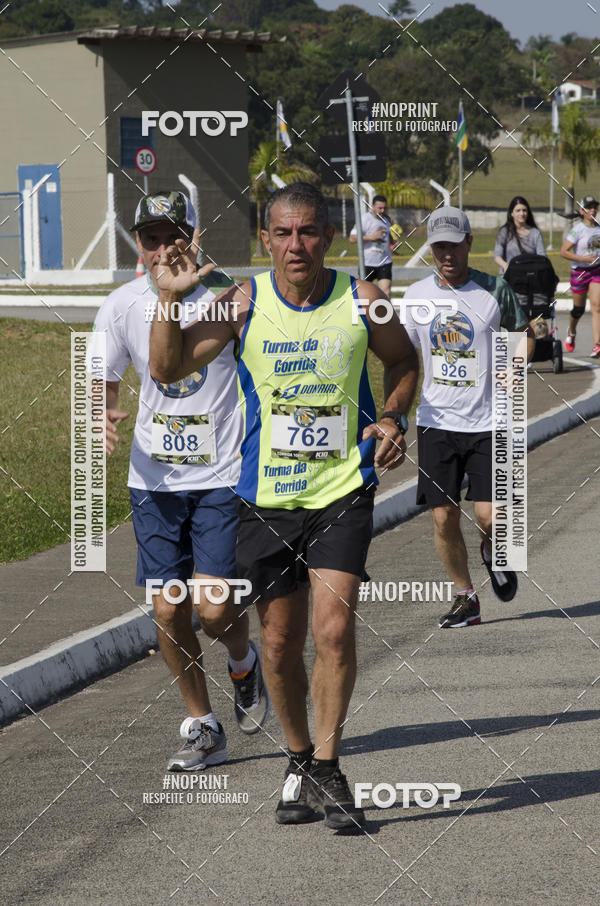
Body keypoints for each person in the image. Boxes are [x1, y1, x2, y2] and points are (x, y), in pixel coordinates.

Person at [149, 182, 419, 830]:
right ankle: (298, 759)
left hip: (341, 488)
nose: (296, 244)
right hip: (264, 496)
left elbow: (404, 360)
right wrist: (168, 299)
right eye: (283, 233)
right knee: (277, 643)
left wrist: (391, 417)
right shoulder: (243, 303)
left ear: (329, 237)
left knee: (333, 629)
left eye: (308, 231)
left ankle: (328, 765)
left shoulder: (363, 300)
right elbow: (166, 368)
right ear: (265, 240)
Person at [88, 190, 270, 772]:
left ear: (193, 237)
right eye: (151, 238)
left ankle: (242, 660)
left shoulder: (226, 296)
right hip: (154, 479)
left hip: (220, 475)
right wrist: (100, 412)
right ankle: (203, 726)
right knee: (168, 612)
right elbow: (100, 376)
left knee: (213, 611)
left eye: (173, 236)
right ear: (138, 244)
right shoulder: (120, 305)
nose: (163, 248)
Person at [403, 206, 535, 629]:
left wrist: (516, 365)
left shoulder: (494, 290)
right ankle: (466, 598)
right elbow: (401, 357)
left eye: (454, 245)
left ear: (469, 244)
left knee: (490, 517)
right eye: (438, 246)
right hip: (436, 421)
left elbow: (525, 335)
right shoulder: (416, 296)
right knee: (443, 516)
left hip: (488, 422)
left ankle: (493, 550)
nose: (446, 254)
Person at [560, 195, 600, 357]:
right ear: (582, 211)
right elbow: (564, 252)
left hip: (596, 271)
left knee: (597, 306)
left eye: (595, 207)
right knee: (579, 309)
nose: (593, 210)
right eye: (589, 207)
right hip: (580, 272)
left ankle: (597, 344)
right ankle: (572, 331)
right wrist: (583, 259)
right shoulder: (577, 230)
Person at [349, 194, 396, 297]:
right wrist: (371, 237)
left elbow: (387, 235)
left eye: (385, 208)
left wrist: (392, 244)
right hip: (367, 263)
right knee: (363, 294)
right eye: (380, 208)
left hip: (384, 262)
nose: (382, 211)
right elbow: (352, 238)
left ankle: (383, 308)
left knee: (386, 292)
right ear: (372, 207)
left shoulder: (387, 219)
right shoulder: (364, 219)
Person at [494, 196, 546, 275]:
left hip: (529, 276)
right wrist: (505, 265)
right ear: (512, 213)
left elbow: (542, 257)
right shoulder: (504, 232)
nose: (522, 213)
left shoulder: (535, 233)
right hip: (508, 276)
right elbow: (497, 256)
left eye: (524, 210)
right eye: (518, 210)